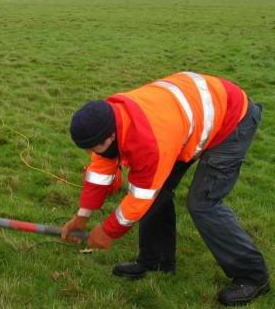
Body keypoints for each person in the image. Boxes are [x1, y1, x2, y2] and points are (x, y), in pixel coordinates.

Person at [61, 71, 269, 306]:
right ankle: (156, 260)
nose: (91, 154)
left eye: (93, 148)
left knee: (203, 205)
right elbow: (99, 172)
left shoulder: (148, 143)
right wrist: (81, 217)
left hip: (232, 120)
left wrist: (108, 232)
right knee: (158, 193)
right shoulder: (110, 119)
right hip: (186, 121)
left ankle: (253, 276)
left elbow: (140, 198)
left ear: (110, 136)